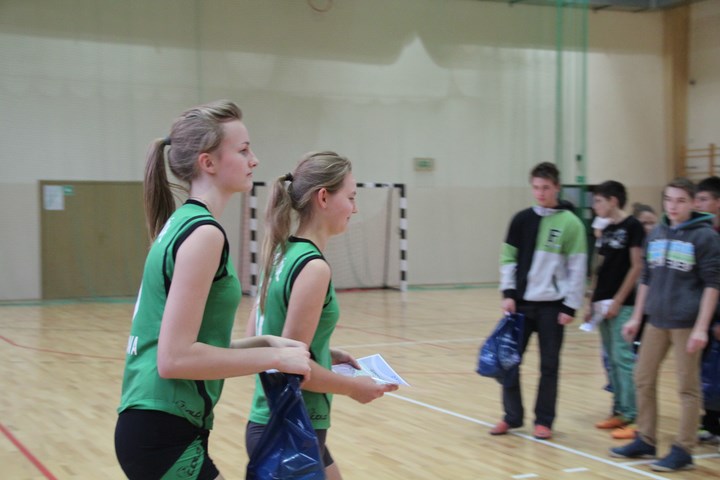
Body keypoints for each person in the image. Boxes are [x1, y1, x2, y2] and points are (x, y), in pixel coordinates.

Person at [114, 100, 312, 480]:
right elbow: (174, 359)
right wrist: (274, 359)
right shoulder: (204, 234)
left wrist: (265, 344)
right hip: (161, 430)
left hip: (162, 424)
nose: (254, 160)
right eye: (243, 150)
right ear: (208, 163)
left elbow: (193, 346)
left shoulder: (182, 222)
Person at [245, 152, 399, 480]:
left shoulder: (281, 253)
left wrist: (324, 352)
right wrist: (353, 387)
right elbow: (291, 367)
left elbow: (256, 340)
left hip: (282, 421)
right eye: (351, 198)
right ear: (324, 197)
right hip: (288, 427)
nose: (355, 209)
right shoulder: (313, 267)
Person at [610, 178, 720, 472]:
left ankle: (684, 449)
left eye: (681, 201)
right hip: (656, 321)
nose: (673, 206)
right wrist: (637, 317)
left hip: (686, 324)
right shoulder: (657, 233)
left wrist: (701, 327)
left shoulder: (704, 237)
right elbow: (647, 278)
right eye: (669, 200)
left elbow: (713, 284)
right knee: (642, 378)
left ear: (693, 203)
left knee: (687, 388)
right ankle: (645, 439)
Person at [492, 161, 588, 440]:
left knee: (549, 365)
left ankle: (544, 421)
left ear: (557, 187)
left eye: (546, 187)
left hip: (552, 307)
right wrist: (508, 293)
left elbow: (578, 267)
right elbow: (508, 258)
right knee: (508, 362)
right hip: (521, 305)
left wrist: (570, 305)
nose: (540, 193)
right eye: (536, 187)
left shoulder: (571, 224)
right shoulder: (521, 220)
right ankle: (512, 416)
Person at [584, 181, 644, 440]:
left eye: (598, 201)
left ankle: (634, 415)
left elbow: (637, 266)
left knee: (623, 357)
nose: (594, 206)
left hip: (623, 303)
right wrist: (591, 300)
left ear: (613, 200)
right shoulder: (606, 229)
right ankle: (619, 410)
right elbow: (600, 267)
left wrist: (619, 300)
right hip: (602, 302)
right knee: (611, 358)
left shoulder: (633, 226)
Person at [694, 176, 720, 445]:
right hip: (704, 314)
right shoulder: (701, 234)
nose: (698, 204)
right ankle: (711, 422)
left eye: (703, 199)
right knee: (707, 372)